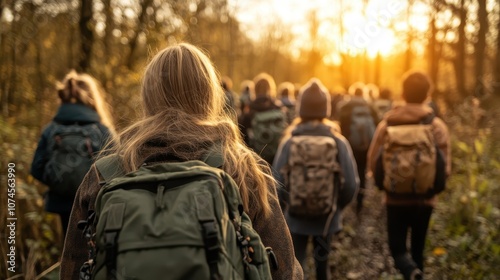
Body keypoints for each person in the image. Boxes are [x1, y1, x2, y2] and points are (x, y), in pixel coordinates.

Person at [60, 43, 303, 280]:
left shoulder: (104, 173)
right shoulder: (242, 167)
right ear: (210, 93)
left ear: (148, 97)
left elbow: (73, 268)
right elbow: (284, 269)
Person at [367, 71, 451, 280]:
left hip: (395, 198)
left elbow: (373, 159)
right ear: (427, 95)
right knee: (418, 249)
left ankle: (410, 272)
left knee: (397, 249)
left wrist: (383, 183)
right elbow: (445, 166)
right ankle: (416, 271)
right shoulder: (436, 126)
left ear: (403, 93)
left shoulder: (388, 124)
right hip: (425, 199)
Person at [272, 78, 359, 280]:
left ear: (301, 109)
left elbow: (277, 183)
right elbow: (352, 185)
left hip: (295, 220)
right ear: (325, 109)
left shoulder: (289, 142)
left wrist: (289, 207)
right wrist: (335, 207)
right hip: (326, 221)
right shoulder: (338, 142)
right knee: (322, 266)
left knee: (296, 266)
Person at [30, 70, 115, 238]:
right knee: (94, 251)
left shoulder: (51, 129)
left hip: (61, 203)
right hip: (94, 204)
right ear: (93, 98)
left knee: (68, 249)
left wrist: (57, 182)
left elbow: (36, 168)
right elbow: (117, 168)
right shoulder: (102, 131)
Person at [338, 82, 378, 214]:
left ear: (352, 93)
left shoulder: (345, 107)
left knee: (348, 170)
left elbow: (341, 126)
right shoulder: (370, 106)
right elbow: (377, 123)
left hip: (349, 144)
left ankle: (349, 197)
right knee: (362, 170)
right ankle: (360, 199)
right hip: (366, 145)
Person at [239, 72, 287, 165]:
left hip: (255, 161)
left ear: (255, 90)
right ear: (271, 89)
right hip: (275, 159)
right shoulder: (280, 109)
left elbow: (241, 139)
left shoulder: (249, 110)